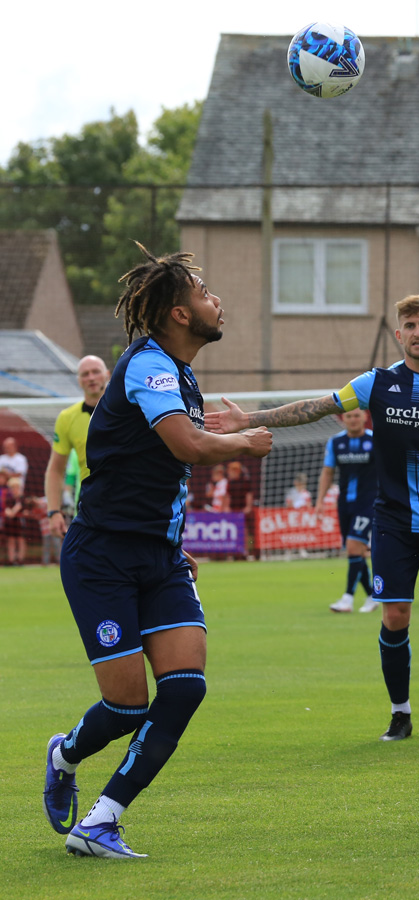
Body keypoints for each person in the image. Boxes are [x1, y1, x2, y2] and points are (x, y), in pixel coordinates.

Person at [43, 242, 273, 860]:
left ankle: (101, 821)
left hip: (161, 556)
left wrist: (175, 539)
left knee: (185, 688)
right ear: (177, 312)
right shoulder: (148, 366)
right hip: (102, 557)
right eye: (204, 293)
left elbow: (162, 472)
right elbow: (187, 447)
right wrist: (246, 442)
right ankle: (65, 754)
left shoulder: (182, 374)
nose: (215, 300)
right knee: (125, 704)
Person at [207, 294, 419, 741]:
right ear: (399, 333)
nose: (418, 332)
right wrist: (247, 418)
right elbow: (317, 407)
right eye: (410, 324)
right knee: (395, 618)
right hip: (391, 522)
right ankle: (400, 712)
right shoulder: (376, 383)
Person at [315, 408, 378, 614]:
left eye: (356, 416)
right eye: (349, 416)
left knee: (352, 548)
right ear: (343, 419)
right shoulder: (335, 442)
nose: (352, 420)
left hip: (368, 503)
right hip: (345, 504)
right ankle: (371, 596)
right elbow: (327, 471)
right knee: (356, 552)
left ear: (364, 417)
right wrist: (320, 501)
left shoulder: (376, 440)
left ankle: (347, 599)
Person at [44, 355, 110, 540]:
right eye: (85, 374)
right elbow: (56, 469)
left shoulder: (129, 410)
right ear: (79, 381)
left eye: (96, 372)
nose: (91, 377)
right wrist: (53, 511)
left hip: (129, 505)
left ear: (107, 375)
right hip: (89, 510)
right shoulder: (67, 418)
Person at [3, 476, 27, 565]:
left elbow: (16, 509)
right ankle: (11, 560)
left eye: (16, 487)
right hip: (10, 523)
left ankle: (20, 559)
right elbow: (7, 510)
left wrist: (12, 511)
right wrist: (10, 511)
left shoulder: (22, 498)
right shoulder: (8, 499)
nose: (14, 489)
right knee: (11, 541)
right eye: (12, 487)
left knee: (21, 540)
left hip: (19, 523)